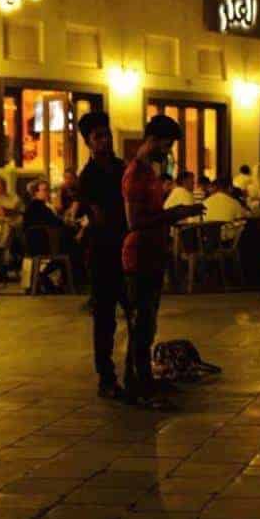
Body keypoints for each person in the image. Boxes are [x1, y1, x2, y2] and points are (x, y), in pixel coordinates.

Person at [122, 115, 204, 408]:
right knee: (141, 323)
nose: (168, 151)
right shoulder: (136, 174)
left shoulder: (150, 172)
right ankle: (138, 385)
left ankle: (140, 381)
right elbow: (134, 220)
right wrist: (176, 213)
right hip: (139, 253)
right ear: (153, 139)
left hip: (152, 252)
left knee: (148, 321)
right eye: (167, 145)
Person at [77, 112, 129, 400]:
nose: (105, 140)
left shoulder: (123, 168)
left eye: (107, 134)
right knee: (105, 317)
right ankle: (106, 376)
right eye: (98, 136)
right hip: (103, 252)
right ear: (88, 142)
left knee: (136, 312)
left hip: (126, 246)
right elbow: (98, 216)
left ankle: (136, 369)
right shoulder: (89, 178)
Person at [203, 177, 249, 241]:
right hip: (228, 238)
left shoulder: (205, 202)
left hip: (208, 237)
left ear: (214, 188)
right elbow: (240, 219)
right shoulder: (235, 203)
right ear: (229, 188)